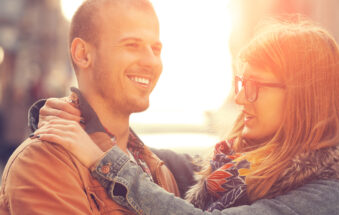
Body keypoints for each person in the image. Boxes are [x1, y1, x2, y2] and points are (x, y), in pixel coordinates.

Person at [33, 17, 339, 214]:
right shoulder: (236, 169)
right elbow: (158, 160)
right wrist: (77, 121)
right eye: (240, 83)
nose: (239, 98)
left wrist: (101, 158)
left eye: (255, 86)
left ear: (304, 97)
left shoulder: (329, 194)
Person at [0, 0, 195, 214]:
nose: (152, 62)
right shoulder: (43, 162)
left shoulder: (157, 169)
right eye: (132, 45)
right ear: (82, 54)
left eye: (156, 49)